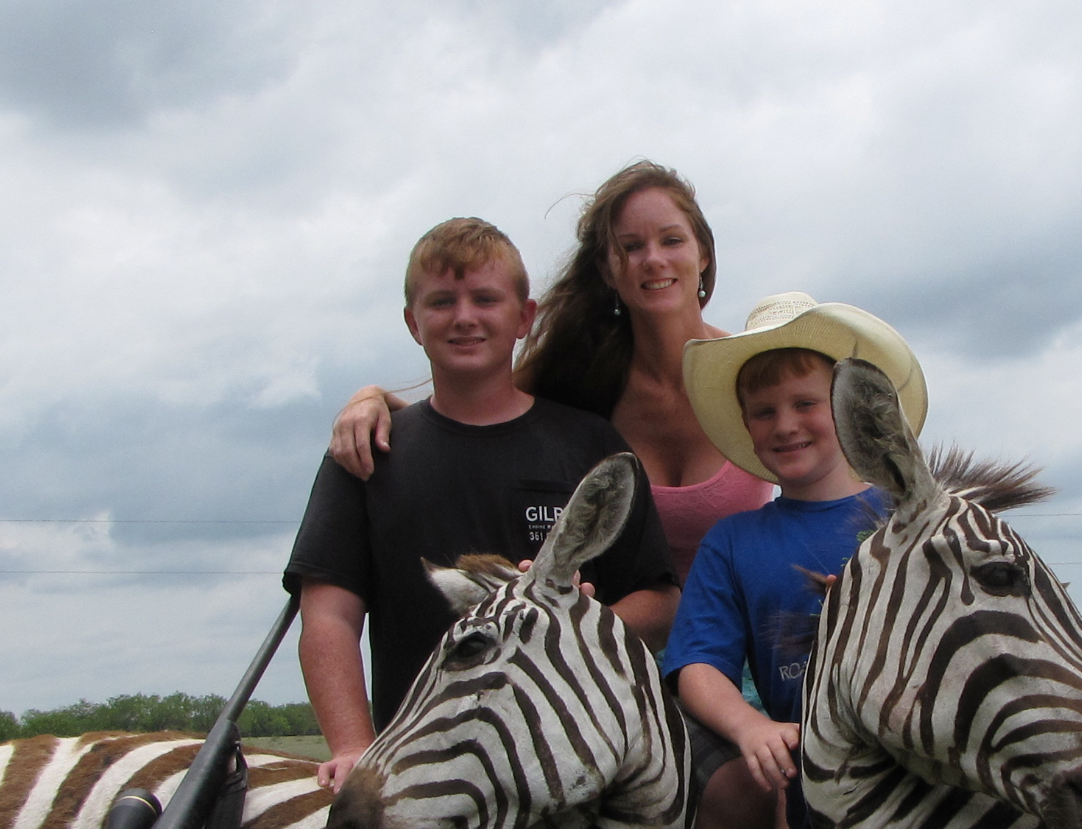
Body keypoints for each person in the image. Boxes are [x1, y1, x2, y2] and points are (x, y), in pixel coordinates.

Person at [287, 218, 678, 791]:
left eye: (486, 299)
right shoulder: (368, 455)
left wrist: (581, 622)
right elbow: (327, 617)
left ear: (523, 317)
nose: (465, 316)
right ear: (412, 324)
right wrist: (352, 748)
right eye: (442, 301)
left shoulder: (591, 446)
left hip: (573, 760)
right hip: (419, 771)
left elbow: (662, 600)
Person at [660, 293, 928, 829]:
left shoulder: (911, 521)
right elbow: (698, 666)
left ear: (847, 408)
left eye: (805, 402)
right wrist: (749, 728)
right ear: (745, 427)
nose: (784, 424)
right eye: (764, 410)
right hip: (820, 812)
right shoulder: (734, 542)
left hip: (930, 793)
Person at [328, 162, 775, 589]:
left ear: (703, 255)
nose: (653, 259)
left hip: (747, 647)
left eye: (672, 240)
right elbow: (469, 422)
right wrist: (371, 399)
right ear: (606, 270)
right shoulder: (579, 375)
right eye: (631, 247)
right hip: (612, 649)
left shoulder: (752, 374)